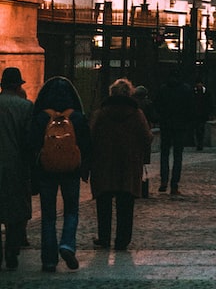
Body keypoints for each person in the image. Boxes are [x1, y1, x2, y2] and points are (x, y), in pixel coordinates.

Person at [30, 75, 91, 273]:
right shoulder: (77, 117)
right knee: (71, 210)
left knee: (48, 215)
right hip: (71, 170)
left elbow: (32, 145)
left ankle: (49, 260)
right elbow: (86, 145)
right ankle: (67, 244)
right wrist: (85, 170)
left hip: (46, 170)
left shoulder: (40, 117)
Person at [90, 77, 152, 253]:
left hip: (104, 163)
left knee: (104, 202)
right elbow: (147, 137)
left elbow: (91, 136)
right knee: (126, 203)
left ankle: (104, 237)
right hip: (129, 164)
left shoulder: (101, 113)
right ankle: (122, 240)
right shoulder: (136, 114)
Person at [0, 67, 33, 271]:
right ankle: (12, 251)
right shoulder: (26, 106)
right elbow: (29, 141)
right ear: (18, 85)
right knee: (15, 214)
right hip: (16, 166)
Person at [154, 67, 193, 195]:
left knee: (164, 154)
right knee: (178, 156)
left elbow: (157, 107)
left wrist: (161, 119)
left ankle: (164, 180)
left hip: (166, 125)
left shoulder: (163, 89)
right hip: (180, 126)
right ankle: (174, 185)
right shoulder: (186, 90)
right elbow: (190, 108)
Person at [192, 76, 212, 151]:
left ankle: (200, 143)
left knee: (200, 128)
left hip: (203, 114)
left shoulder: (206, 92)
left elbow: (209, 103)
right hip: (196, 114)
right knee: (198, 129)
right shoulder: (194, 92)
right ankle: (199, 143)